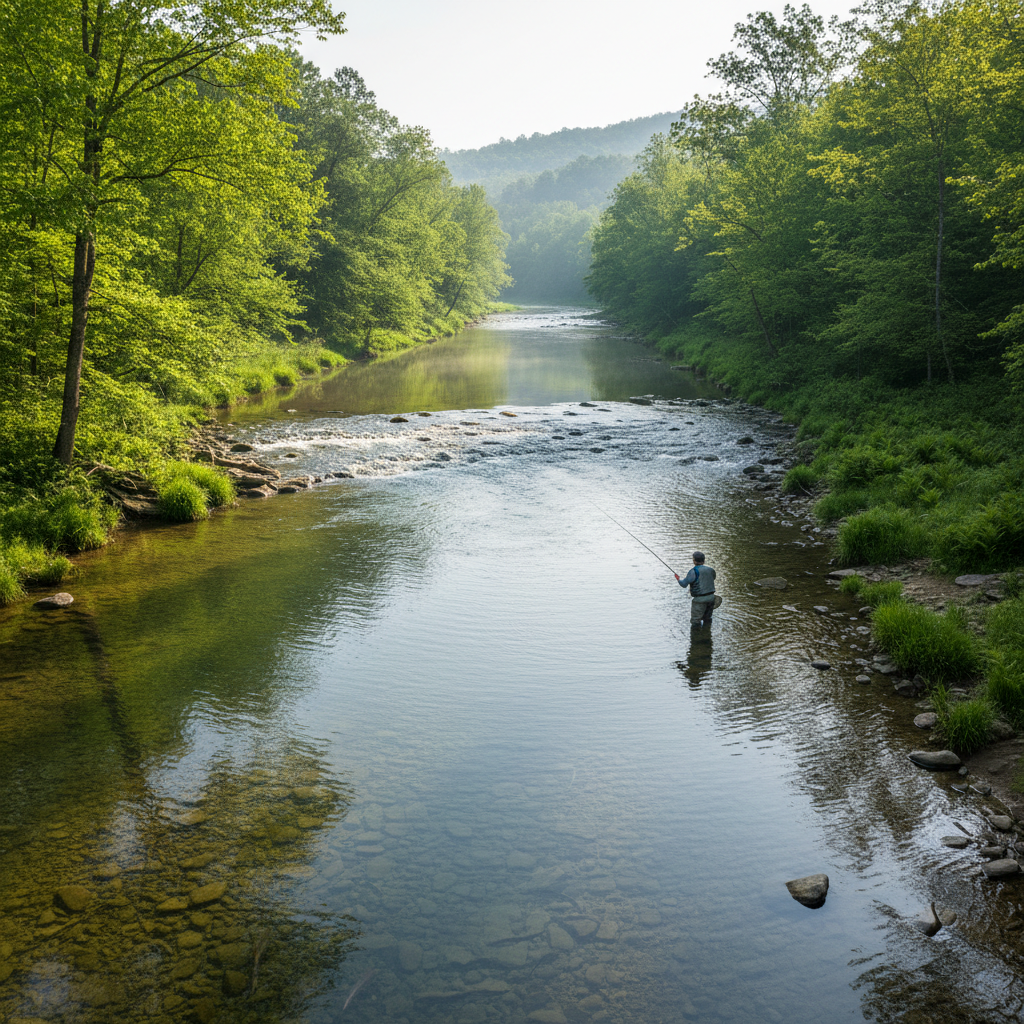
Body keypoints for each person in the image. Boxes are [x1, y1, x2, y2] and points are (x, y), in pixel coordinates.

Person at [675, 551, 720, 627]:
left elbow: (684, 584)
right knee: (707, 619)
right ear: (704, 560)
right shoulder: (711, 570)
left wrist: (678, 579)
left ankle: (696, 637)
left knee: (695, 621)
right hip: (711, 598)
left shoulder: (693, 571)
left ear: (694, 561)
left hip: (699, 600)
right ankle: (707, 635)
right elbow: (713, 578)